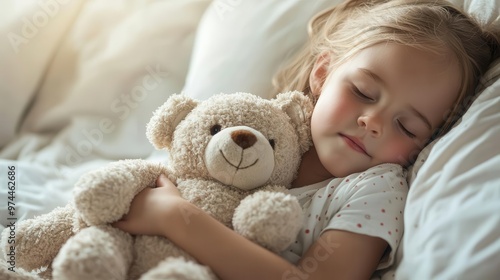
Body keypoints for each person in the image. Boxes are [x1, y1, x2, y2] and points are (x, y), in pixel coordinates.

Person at [114, 0, 499, 279]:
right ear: (322, 73)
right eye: (364, 92)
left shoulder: (374, 191)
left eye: (408, 127)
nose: (372, 122)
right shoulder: (258, 130)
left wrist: (176, 218)